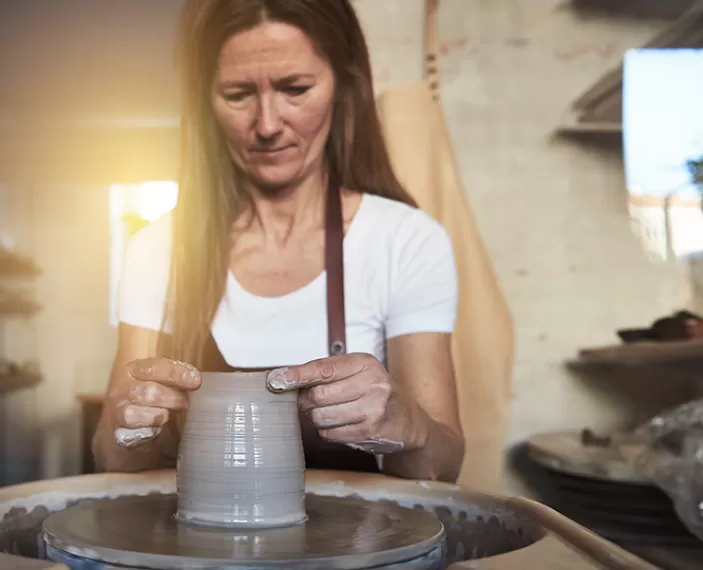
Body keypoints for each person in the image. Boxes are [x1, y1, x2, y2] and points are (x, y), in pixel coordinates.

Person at [92, 0, 464, 482]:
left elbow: (443, 468)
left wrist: (408, 425)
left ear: (341, 87)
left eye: (295, 89)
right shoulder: (158, 250)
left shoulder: (407, 241)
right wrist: (128, 426)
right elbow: (110, 455)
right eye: (238, 94)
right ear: (205, 100)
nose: (267, 125)